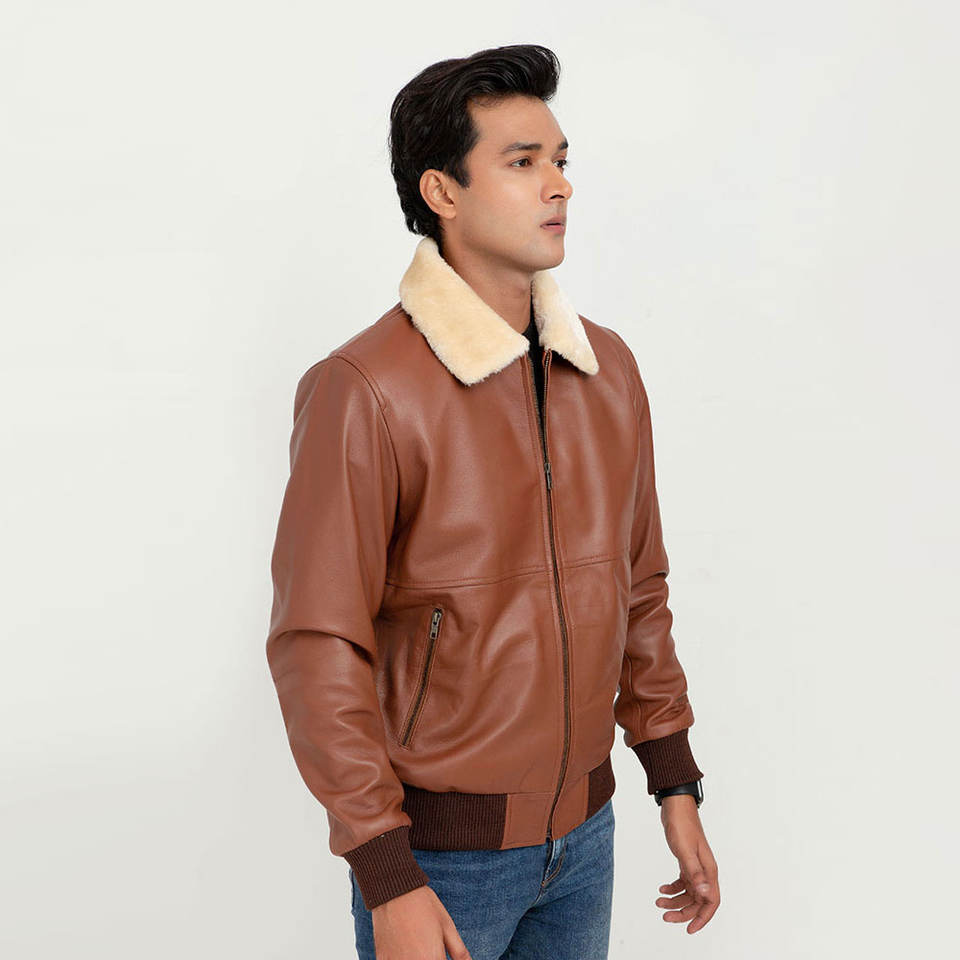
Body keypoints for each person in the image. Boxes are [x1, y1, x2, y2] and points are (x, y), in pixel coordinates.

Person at [265, 43, 720, 960]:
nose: (559, 185)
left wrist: (673, 781)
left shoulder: (608, 369)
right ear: (442, 191)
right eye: (522, 162)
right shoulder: (365, 388)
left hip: (587, 839)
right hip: (441, 862)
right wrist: (386, 871)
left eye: (561, 160)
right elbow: (318, 643)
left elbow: (639, 586)